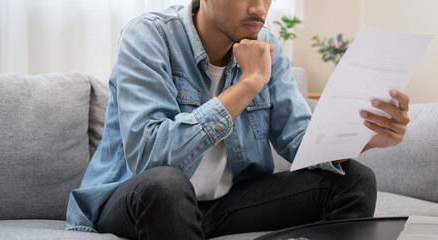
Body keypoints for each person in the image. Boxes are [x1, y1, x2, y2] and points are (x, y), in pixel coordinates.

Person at [66, 0, 411, 239]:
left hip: (226, 204)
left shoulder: (268, 48)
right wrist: (247, 84)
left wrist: (361, 137)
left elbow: (298, 139)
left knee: (353, 180)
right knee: (167, 186)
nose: (259, 9)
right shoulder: (149, 36)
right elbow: (151, 158)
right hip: (137, 199)